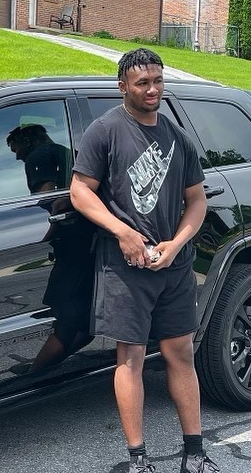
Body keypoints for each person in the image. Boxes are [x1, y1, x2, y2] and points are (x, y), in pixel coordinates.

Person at [69, 48, 219, 473]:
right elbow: (80, 191)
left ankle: (194, 454)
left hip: (174, 265)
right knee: (130, 357)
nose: (152, 89)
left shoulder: (177, 137)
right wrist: (123, 233)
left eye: (157, 81)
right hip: (126, 267)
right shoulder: (105, 131)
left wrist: (176, 243)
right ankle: (139, 460)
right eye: (142, 83)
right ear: (123, 87)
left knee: (181, 353)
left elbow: (197, 200)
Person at [6, 125, 94, 373]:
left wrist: (45, 237)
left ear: (27, 141)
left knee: (65, 313)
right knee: (81, 315)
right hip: (86, 239)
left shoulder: (38, 156)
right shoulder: (63, 151)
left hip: (69, 243)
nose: (16, 156)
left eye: (15, 148)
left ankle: (35, 374)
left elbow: (50, 202)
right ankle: (50, 366)